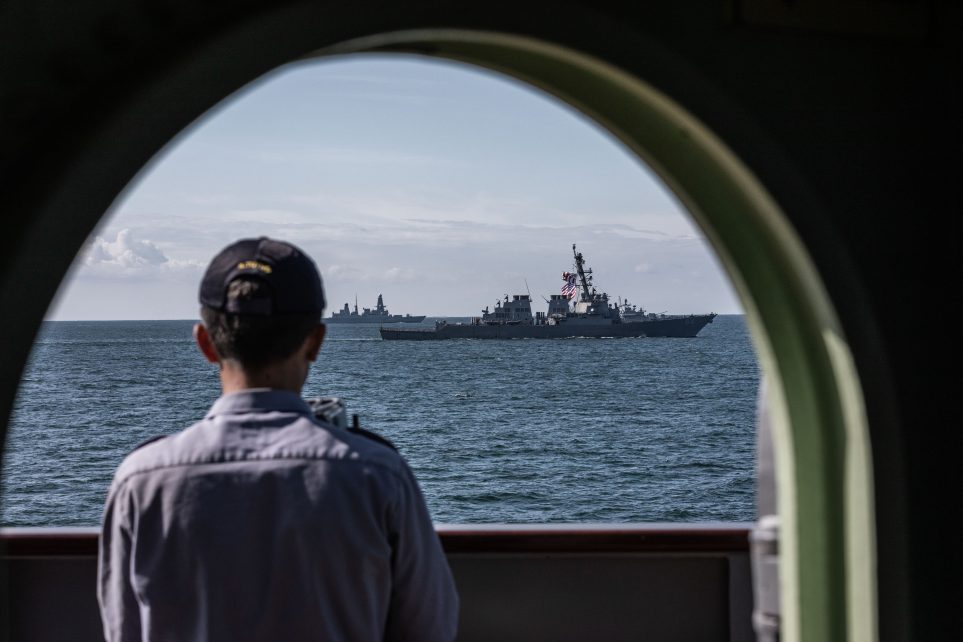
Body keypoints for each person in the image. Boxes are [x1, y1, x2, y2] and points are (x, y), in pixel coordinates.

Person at [97, 237, 459, 641]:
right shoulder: (379, 476)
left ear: (205, 343)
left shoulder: (139, 483)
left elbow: (122, 631)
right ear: (316, 341)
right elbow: (430, 629)